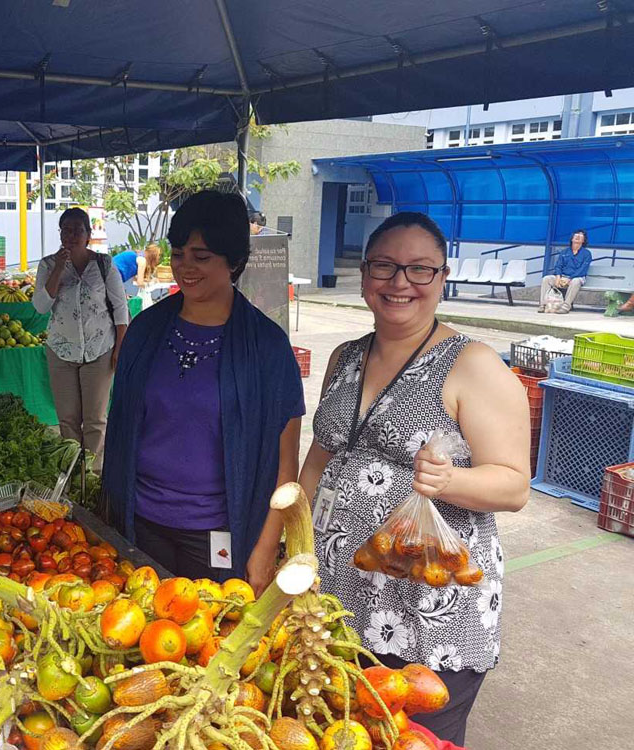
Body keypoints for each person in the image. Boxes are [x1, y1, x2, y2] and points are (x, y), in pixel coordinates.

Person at [299, 212, 530, 746]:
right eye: (385, 266)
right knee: (341, 730)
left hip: (428, 609)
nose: (400, 282)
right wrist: (293, 542)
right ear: (364, 276)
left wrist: (449, 480)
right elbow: (321, 456)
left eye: (420, 270)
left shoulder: (472, 364)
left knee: (413, 737)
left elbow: (515, 485)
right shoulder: (346, 356)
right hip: (341, 599)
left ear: (442, 279)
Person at [102, 191, 304, 592]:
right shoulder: (146, 331)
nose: (185, 267)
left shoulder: (266, 346)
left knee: (212, 643)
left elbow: (286, 464)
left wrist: (265, 550)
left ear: (234, 261)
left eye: (202, 256)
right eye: (178, 253)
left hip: (220, 533)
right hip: (139, 523)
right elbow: (120, 429)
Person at [33, 208, 129, 471]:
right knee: (67, 418)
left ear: (88, 235)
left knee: (95, 419)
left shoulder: (104, 264)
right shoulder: (47, 265)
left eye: (78, 230)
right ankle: (74, 473)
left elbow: (121, 309)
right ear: (60, 233)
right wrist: (58, 270)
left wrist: (120, 347)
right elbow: (41, 306)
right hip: (61, 349)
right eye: (66, 229)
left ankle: (94, 474)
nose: (72, 235)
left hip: (100, 349)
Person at [538, 229, 592, 314]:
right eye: (576, 235)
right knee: (546, 279)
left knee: (576, 281)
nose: (578, 236)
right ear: (572, 239)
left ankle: (566, 306)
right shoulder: (564, 252)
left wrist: (569, 278)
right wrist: (558, 277)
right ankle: (543, 305)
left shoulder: (587, 254)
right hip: (562, 276)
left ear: (584, 240)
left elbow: (582, 270)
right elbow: (558, 266)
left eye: (581, 235)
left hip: (576, 277)